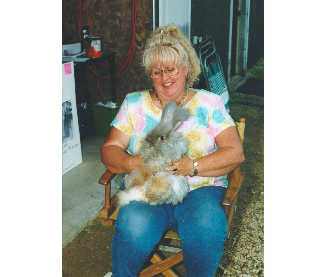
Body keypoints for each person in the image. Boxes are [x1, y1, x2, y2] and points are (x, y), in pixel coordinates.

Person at [100, 24, 245, 277]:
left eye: (171, 70)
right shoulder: (134, 104)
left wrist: (193, 166)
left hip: (202, 190)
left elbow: (235, 152)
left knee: (206, 228)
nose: (165, 79)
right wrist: (135, 163)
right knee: (133, 223)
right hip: (147, 190)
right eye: (157, 72)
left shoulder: (209, 103)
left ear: (186, 70)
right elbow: (110, 149)